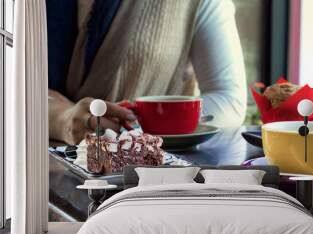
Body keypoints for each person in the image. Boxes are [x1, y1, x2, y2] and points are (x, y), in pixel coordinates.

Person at [47, 0, 247, 145]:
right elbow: (19, 87)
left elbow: (229, 100)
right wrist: (63, 119)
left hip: (144, 172)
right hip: (41, 162)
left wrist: (144, 121)